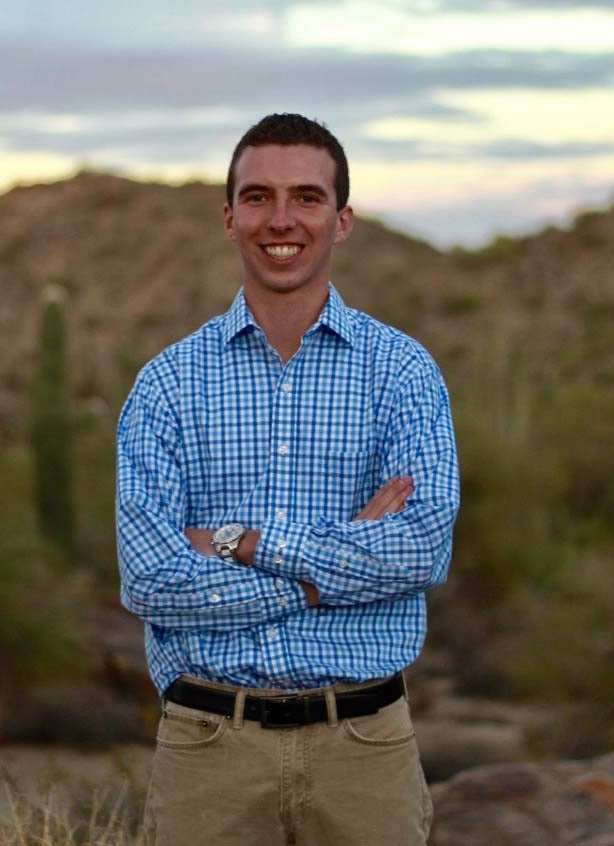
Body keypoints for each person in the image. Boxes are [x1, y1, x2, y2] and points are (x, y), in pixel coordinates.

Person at [116, 113, 460, 846]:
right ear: (230, 217)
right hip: (209, 750)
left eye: (306, 197)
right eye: (259, 197)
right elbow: (149, 580)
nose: (282, 219)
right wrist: (320, 577)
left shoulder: (401, 373)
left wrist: (242, 542)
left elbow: (418, 550)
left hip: (363, 748)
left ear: (342, 221)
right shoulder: (167, 386)